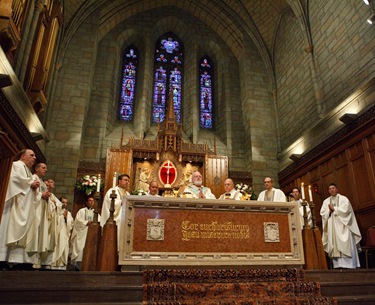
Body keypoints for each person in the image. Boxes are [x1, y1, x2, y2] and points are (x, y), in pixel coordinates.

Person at [0, 149, 40, 269]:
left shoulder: (27, 170)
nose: (34, 158)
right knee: (6, 229)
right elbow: (12, 179)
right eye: (32, 155)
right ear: (23, 156)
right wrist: (30, 184)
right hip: (13, 205)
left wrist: (32, 186)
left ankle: (10, 260)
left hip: (22, 206)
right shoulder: (15, 165)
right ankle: (1, 259)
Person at [320, 183, 362, 269]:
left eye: (333, 188)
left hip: (344, 226)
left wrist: (334, 209)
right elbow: (323, 213)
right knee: (335, 245)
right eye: (330, 188)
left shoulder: (344, 199)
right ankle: (338, 265)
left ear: (337, 189)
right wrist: (329, 212)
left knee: (346, 243)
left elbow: (347, 211)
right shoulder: (326, 201)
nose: (331, 190)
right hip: (333, 228)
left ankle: (350, 265)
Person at [100, 174, 130, 248]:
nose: (127, 182)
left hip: (125, 219)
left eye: (128, 181)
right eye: (125, 180)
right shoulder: (112, 191)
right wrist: (121, 202)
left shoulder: (127, 193)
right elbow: (110, 203)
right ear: (119, 181)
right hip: (116, 218)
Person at [70, 196, 95, 270]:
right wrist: (87, 222)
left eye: (93, 201)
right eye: (90, 201)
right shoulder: (81, 211)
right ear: (87, 202)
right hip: (82, 234)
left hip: (91, 234)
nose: (91, 202)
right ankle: (78, 266)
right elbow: (77, 221)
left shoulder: (95, 213)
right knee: (80, 249)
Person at [51, 197, 74, 270]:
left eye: (66, 203)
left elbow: (71, 224)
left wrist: (66, 217)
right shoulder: (56, 210)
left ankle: (61, 264)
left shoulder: (68, 213)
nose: (65, 204)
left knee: (63, 246)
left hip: (64, 233)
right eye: (63, 202)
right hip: (57, 232)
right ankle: (53, 263)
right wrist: (62, 217)